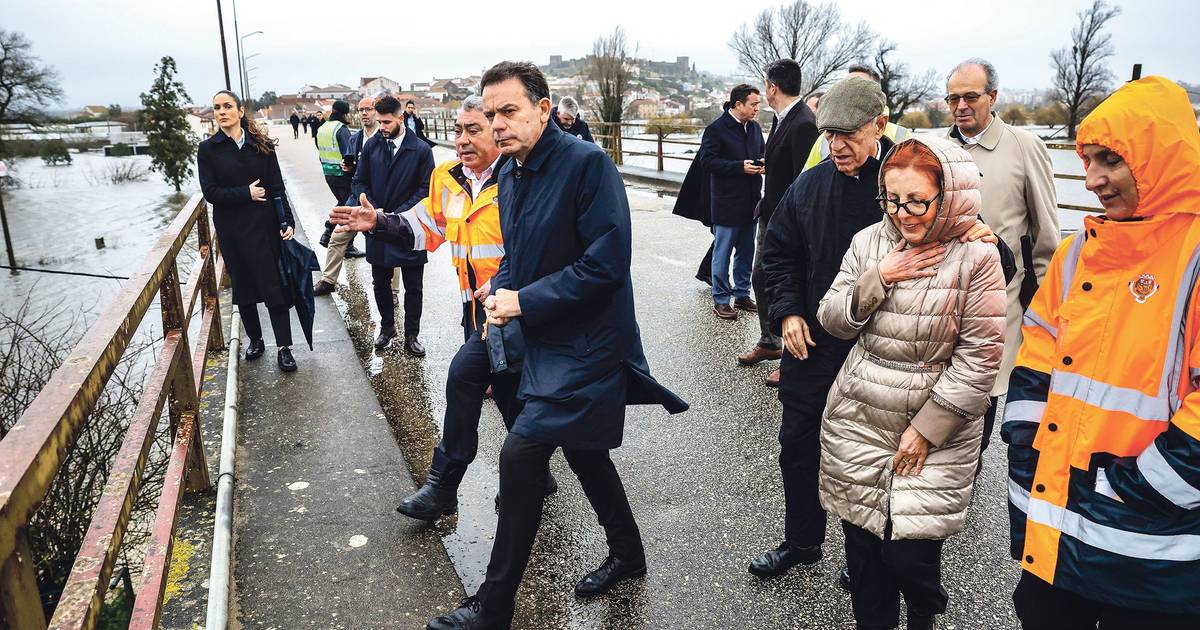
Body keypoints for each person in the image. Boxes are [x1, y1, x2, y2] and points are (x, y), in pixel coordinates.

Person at [426, 61, 686, 630]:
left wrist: (522, 300)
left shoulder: (588, 164)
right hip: (535, 329)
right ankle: (628, 552)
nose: (497, 124)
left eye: (509, 111)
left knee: (522, 454)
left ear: (544, 109)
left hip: (589, 341)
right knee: (559, 432)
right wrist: (501, 287)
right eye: (490, 114)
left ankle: (494, 606)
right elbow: (521, 254)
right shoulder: (512, 175)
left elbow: (607, 264)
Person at [755, 77, 998, 580]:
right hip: (819, 344)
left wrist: (985, 237)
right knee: (798, 446)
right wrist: (787, 312)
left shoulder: (917, 177)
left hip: (895, 361)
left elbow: (992, 265)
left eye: (848, 134)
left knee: (876, 461)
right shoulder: (811, 184)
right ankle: (802, 541)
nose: (836, 146)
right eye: (829, 135)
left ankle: (863, 557)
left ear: (879, 126)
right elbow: (777, 254)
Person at [1003, 76, 1200, 629]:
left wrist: (1136, 488)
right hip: (1058, 522)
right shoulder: (1078, 253)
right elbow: (1036, 354)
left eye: (1110, 160)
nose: (1092, 180)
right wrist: (1026, 445)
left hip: (1149, 550)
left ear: (1161, 159)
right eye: (1087, 161)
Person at [330, 95, 558, 520]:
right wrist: (379, 221)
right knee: (509, 395)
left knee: (469, 379)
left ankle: (445, 487)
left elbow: (546, 247)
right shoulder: (447, 177)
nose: (462, 140)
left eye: (473, 130)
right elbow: (426, 227)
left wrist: (510, 288)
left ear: (497, 130)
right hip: (475, 311)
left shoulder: (518, 179)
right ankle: (534, 475)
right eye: (457, 131)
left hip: (519, 310)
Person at [817, 135, 1005, 630]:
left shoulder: (976, 256)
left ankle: (923, 608)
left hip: (935, 422)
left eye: (918, 201)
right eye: (894, 200)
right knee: (862, 553)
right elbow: (832, 320)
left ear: (949, 196)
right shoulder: (869, 243)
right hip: (862, 412)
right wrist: (878, 276)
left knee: (910, 556)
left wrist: (926, 429)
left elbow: (980, 356)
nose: (905, 214)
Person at [944, 58, 1059, 462]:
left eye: (971, 97)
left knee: (982, 397)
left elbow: (1046, 236)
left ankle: (965, 477)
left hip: (1001, 301)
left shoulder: (1025, 147)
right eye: (953, 98)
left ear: (992, 97)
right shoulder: (938, 149)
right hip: (940, 299)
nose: (961, 106)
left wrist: (1047, 311)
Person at [197, 90, 299, 372]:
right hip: (232, 229)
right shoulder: (208, 150)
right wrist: (246, 193)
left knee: (273, 284)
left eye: (227, 106)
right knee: (243, 286)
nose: (222, 112)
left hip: (265, 226)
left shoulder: (261, 145)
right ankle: (255, 339)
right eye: (217, 107)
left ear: (240, 111)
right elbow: (210, 193)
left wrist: (286, 222)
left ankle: (284, 347)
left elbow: (277, 187)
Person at [736, 59, 819, 388]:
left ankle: (791, 356)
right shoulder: (783, 118)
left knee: (787, 283)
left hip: (788, 221)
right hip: (769, 213)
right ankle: (770, 341)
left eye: (765, 86)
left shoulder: (803, 123)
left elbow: (805, 178)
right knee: (760, 276)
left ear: (772, 87)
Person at [357, 95, 433, 355]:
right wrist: (373, 208)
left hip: (410, 226)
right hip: (376, 224)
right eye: (379, 122)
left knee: (414, 286)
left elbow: (426, 190)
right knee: (380, 283)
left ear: (401, 119)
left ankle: (412, 335)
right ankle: (387, 327)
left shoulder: (421, 150)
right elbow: (360, 181)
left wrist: (397, 216)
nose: (382, 127)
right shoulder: (372, 146)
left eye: (387, 122)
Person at [699, 84, 765, 320]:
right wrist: (739, 167)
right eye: (753, 104)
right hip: (726, 202)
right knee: (722, 252)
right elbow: (707, 162)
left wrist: (762, 164)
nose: (758, 108)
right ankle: (721, 299)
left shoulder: (755, 128)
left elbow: (761, 152)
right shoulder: (716, 129)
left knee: (746, 252)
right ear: (738, 105)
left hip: (751, 202)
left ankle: (742, 294)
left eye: (758, 104)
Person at [313, 96, 377, 296]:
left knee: (385, 243)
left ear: (377, 111)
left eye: (369, 109)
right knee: (338, 236)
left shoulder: (384, 137)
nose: (365, 113)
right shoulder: (355, 137)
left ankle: (391, 290)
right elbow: (353, 171)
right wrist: (347, 168)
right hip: (356, 195)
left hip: (379, 199)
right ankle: (328, 280)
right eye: (361, 110)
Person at [802, 65, 911, 172]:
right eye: (830, 132)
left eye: (850, 132)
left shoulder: (903, 138)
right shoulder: (810, 180)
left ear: (880, 125)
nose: (836, 146)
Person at [316, 101, 355, 245]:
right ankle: (344, 243)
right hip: (342, 174)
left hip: (328, 173)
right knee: (349, 206)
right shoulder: (341, 129)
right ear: (345, 114)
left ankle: (328, 233)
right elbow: (348, 154)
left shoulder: (323, 128)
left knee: (343, 203)